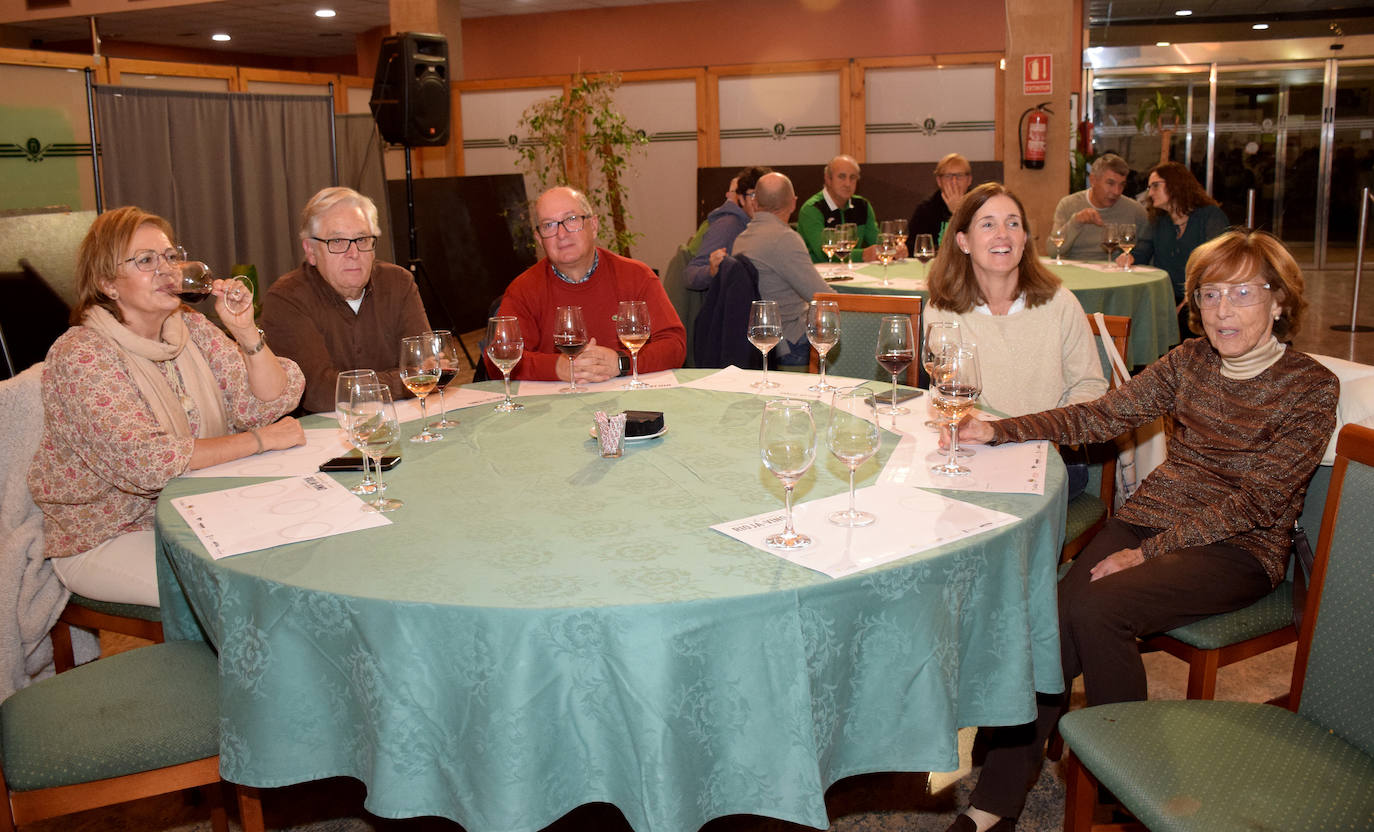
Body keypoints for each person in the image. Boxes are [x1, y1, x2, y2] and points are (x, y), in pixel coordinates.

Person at [941, 229, 1338, 832]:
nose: (1222, 310)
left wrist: (1147, 555)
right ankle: (997, 798)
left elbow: (1260, 501)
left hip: (1237, 547)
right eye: (1208, 294)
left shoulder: (1310, 387)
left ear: (1279, 300)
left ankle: (1117, 784)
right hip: (1152, 517)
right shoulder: (1189, 361)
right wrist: (1000, 430)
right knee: (1054, 614)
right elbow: (1102, 415)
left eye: (1241, 293)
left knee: (1099, 609)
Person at [28, 206, 306, 607]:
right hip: (110, 532)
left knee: (292, 549)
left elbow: (268, 401)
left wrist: (245, 330)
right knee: (245, 589)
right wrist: (259, 441)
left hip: (198, 506)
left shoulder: (188, 325)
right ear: (108, 283)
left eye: (171, 257)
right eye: (145, 260)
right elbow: (149, 461)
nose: (167, 270)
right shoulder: (82, 353)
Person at [924, 182, 1107, 498]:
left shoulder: (1060, 304)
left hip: (1052, 455)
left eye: (1013, 223)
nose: (1003, 235)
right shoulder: (942, 310)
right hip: (976, 451)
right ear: (963, 241)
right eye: (988, 224)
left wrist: (1044, 437)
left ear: (1024, 238)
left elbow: (1090, 388)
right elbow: (946, 390)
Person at [262, 186, 431, 413]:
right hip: (320, 438)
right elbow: (320, 393)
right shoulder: (286, 299)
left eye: (361, 239)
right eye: (337, 242)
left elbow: (427, 367)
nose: (353, 253)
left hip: (403, 422)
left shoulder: (398, 283)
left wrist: (415, 377)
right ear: (311, 251)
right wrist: (405, 381)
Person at [490, 186, 685, 382]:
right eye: (549, 225)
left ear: (593, 225)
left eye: (572, 220)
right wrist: (557, 367)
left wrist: (621, 362)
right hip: (556, 404)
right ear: (539, 239)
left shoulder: (636, 276)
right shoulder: (523, 289)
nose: (561, 234)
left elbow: (674, 346)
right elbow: (497, 361)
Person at [732, 172, 832, 366]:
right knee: (848, 323)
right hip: (790, 343)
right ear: (793, 203)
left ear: (754, 203)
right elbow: (822, 297)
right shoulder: (785, 239)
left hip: (761, 339)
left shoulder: (741, 239)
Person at [1124, 161, 1230, 337]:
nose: (1150, 193)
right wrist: (1127, 258)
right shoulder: (1159, 221)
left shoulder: (1210, 216)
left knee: (1184, 319)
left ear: (1176, 184)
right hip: (1167, 296)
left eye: (1155, 186)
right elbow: (1141, 252)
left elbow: (1217, 262)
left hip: (1203, 295)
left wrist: (1189, 298)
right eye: (1149, 187)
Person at [684, 165, 772, 291]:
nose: (759, 202)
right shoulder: (727, 226)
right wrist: (711, 270)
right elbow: (691, 275)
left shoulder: (765, 227)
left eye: (764, 196)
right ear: (741, 199)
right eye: (753, 195)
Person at [1050, 153, 1150, 261]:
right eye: (1110, 183)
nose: (1117, 191)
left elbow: (1147, 247)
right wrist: (1075, 222)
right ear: (1093, 180)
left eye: (1122, 185)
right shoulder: (1069, 205)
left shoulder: (1135, 210)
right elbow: (1053, 251)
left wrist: (1133, 257)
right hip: (1076, 272)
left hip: (1116, 274)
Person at [797, 154, 880, 263]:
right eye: (842, 177)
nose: (847, 184)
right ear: (828, 179)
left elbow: (877, 241)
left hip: (855, 272)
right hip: (820, 274)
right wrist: (863, 255)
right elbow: (824, 254)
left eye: (852, 178)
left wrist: (893, 248)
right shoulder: (812, 209)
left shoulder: (862, 205)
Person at [907, 153, 973, 250]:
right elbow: (914, 247)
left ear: (969, 180)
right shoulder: (925, 210)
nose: (954, 181)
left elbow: (977, 245)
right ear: (939, 181)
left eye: (959, 176)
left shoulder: (979, 206)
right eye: (948, 176)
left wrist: (957, 212)